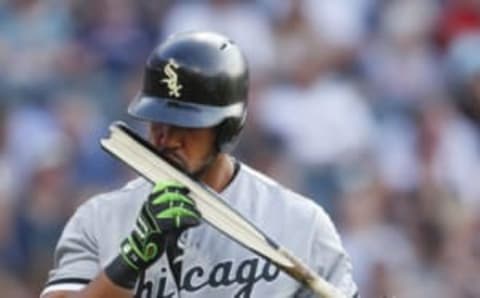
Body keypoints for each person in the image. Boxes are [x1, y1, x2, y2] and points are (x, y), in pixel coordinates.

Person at [40, 31, 358, 298]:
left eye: (186, 125)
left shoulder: (300, 223)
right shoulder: (99, 218)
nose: (167, 138)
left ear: (227, 127)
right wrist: (130, 260)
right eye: (158, 121)